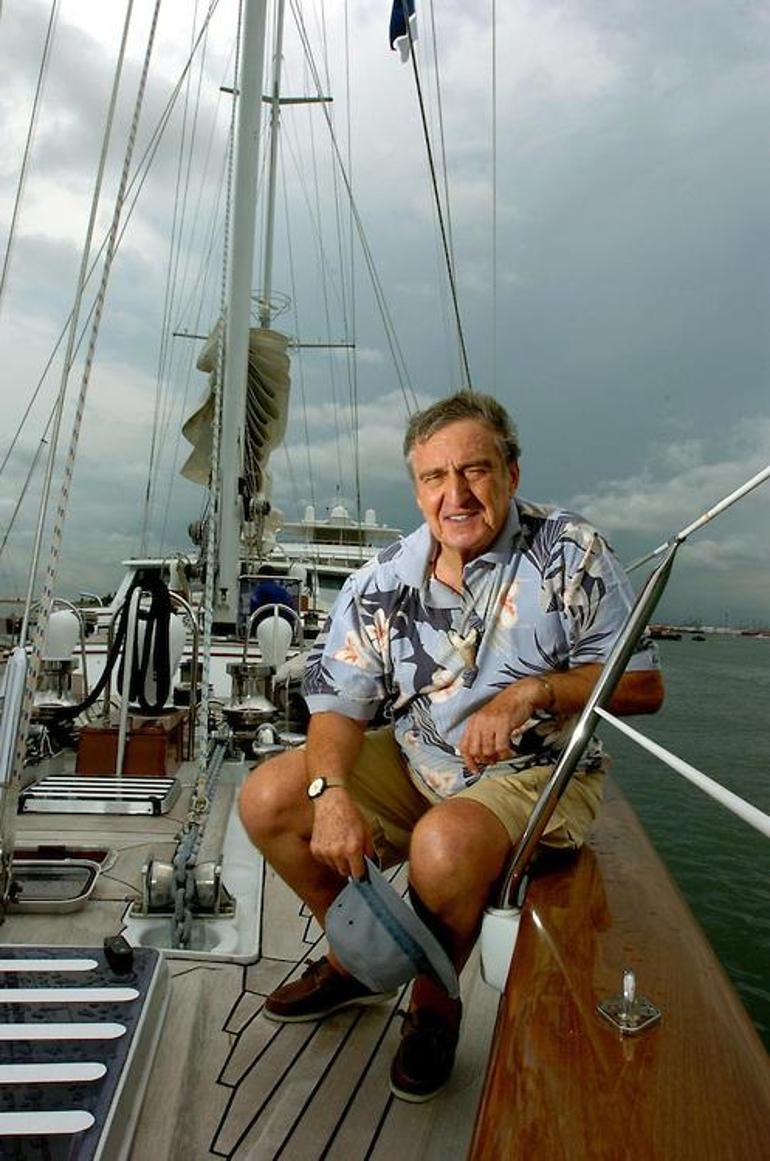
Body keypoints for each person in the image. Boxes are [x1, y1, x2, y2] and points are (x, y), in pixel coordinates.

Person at [239, 392, 663, 1102]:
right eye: (435, 476)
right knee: (269, 798)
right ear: (417, 489)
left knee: (444, 845)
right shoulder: (383, 579)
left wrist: (535, 692)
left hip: (539, 769)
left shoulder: (569, 551)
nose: (455, 494)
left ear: (512, 473)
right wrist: (332, 793)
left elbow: (644, 685)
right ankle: (357, 960)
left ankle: (434, 1004)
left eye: (475, 470)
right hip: (421, 759)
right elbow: (338, 706)